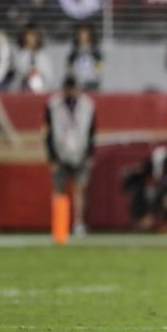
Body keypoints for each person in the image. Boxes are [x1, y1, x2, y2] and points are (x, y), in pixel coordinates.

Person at [43, 77, 96, 237]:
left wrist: (90, 154)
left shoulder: (87, 105)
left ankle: (78, 223)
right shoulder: (53, 105)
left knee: (79, 189)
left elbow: (92, 131)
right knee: (59, 190)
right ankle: (59, 224)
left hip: (80, 151)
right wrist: (51, 157)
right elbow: (47, 133)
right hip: (60, 152)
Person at [11, 24, 53, 92]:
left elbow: (49, 76)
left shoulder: (43, 56)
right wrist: (27, 72)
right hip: (21, 91)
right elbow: (16, 71)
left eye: (33, 35)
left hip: (40, 92)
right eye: (28, 35)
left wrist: (38, 72)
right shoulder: (19, 54)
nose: (30, 38)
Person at [67, 24, 103, 91]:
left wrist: (96, 75)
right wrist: (72, 76)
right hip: (77, 81)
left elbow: (99, 65)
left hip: (91, 81)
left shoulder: (95, 50)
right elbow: (69, 66)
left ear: (90, 36)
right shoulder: (74, 51)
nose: (83, 37)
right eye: (81, 34)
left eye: (85, 34)